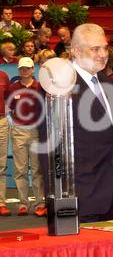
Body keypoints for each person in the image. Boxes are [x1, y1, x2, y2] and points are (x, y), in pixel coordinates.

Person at [70, 23, 113, 222]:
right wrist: (60, 196)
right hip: (78, 195)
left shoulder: (109, 83)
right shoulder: (61, 85)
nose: (103, 54)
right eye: (95, 49)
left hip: (107, 193)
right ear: (77, 51)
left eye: (105, 48)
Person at [7, 57, 45, 216]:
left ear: (33, 70)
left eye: (27, 68)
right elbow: (8, 108)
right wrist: (13, 124)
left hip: (35, 130)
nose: (24, 71)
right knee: (20, 169)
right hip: (19, 132)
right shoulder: (13, 87)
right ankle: (23, 203)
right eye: (22, 68)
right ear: (18, 70)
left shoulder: (40, 87)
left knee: (37, 169)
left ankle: (39, 204)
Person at [0, 68, 9, 216]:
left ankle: (0, 202)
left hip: (1, 121)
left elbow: (7, 98)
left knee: (1, 165)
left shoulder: (3, 76)